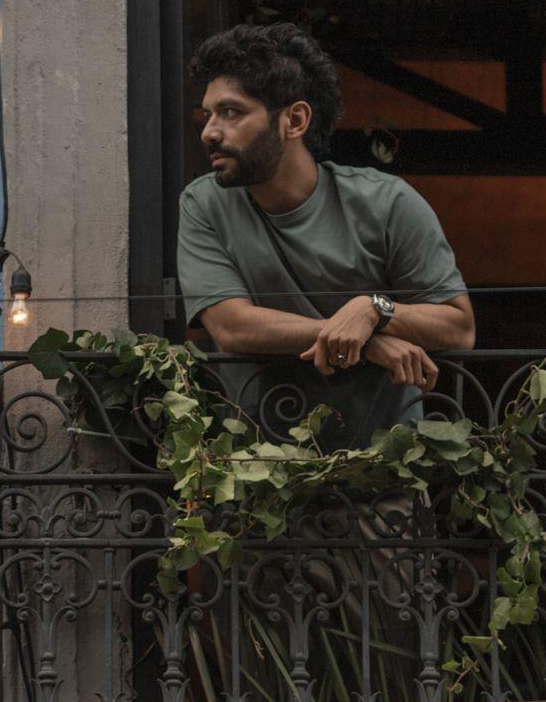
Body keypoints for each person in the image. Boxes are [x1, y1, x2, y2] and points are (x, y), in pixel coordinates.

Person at [176, 23, 474, 450]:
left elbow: (459, 327)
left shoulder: (387, 202)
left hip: (387, 464)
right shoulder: (204, 204)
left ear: (294, 120)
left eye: (231, 112)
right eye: (207, 115)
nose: (209, 131)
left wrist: (373, 310)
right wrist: (365, 340)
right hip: (257, 466)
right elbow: (232, 327)